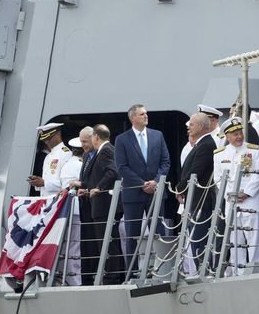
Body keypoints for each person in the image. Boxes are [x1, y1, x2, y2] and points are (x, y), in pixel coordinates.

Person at [114, 104, 171, 273]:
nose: (146, 116)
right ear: (132, 118)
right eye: (141, 114)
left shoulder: (157, 136)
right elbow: (122, 167)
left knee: (159, 231)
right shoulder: (122, 139)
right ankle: (132, 271)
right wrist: (142, 183)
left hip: (155, 190)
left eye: (146, 113)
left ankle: (163, 268)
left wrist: (155, 181)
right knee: (132, 234)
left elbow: (165, 162)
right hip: (133, 192)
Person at [27, 123, 81, 285]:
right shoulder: (49, 156)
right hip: (51, 207)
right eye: (45, 139)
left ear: (57, 135)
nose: (46, 142)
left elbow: (65, 184)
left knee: (68, 246)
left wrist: (44, 182)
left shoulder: (65, 154)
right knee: (54, 246)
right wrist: (40, 183)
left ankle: (72, 280)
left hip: (63, 205)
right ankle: (58, 279)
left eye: (49, 138)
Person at [212, 117, 259, 275]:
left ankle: (256, 273)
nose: (239, 136)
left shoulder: (254, 150)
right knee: (235, 243)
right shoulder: (220, 154)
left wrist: (246, 193)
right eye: (234, 134)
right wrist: (231, 194)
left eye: (240, 132)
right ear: (227, 136)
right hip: (232, 204)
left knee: (254, 242)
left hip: (251, 202)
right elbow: (218, 178)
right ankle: (238, 275)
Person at [72, 125, 123, 284]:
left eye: (86, 140)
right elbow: (98, 175)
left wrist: (98, 188)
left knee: (108, 241)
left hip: (105, 204)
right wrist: (86, 188)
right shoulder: (99, 152)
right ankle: (115, 274)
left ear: (95, 137)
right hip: (100, 204)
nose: (83, 145)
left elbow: (112, 172)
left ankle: (112, 276)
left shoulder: (106, 150)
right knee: (108, 241)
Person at [176, 113, 216, 274]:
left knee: (199, 239)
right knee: (195, 238)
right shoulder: (201, 144)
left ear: (200, 127)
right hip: (194, 199)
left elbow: (196, 171)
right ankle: (201, 270)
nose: (188, 127)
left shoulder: (206, 145)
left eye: (191, 124)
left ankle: (203, 271)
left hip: (201, 201)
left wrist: (180, 188)